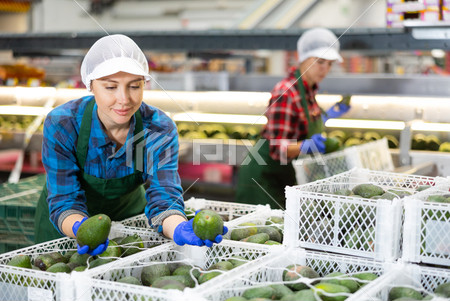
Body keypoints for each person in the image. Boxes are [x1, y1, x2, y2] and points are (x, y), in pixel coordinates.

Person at [34, 34, 226, 254]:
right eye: (110, 87)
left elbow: (165, 199)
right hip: (65, 228)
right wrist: (81, 228)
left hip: (128, 222)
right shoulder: (63, 124)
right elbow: (64, 200)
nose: (124, 99)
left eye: (134, 86)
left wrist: (179, 227)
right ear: (91, 85)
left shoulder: (159, 128)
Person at [235, 28, 351, 209]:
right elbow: (277, 148)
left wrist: (327, 115)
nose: (325, 69)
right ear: (302, 58)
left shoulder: (308, 89)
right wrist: (306, 146)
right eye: (320, 61)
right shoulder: (286, 91)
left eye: (330, 64)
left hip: (282, 177)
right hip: (262, 178)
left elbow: (302, 123)